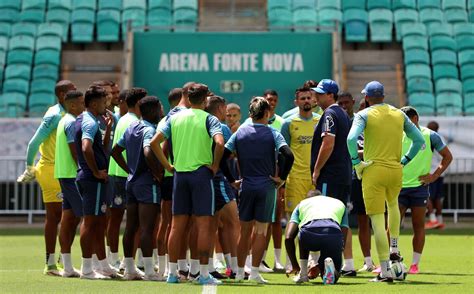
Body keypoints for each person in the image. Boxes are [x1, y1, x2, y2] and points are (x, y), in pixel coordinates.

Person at [347, 81, 424, 282]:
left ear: (366, 97)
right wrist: (404, 160)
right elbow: (419, 141)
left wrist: (357, 162)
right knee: (393, 207)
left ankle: (384, 270)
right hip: (395, 170)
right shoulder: (399, 113)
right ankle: (395, 248)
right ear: (384, 95)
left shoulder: (363, 114)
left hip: (373, 169)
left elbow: (350, 139)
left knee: (377, 220)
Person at [150, 83, 224, 285]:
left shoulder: (173, 118)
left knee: (176, 227)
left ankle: (172, 274)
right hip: (201, 176)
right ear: (206, 99)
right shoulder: (210, 119)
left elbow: (154, 142)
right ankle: (203, 275)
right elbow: (219, 143)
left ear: (189, 99)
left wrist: (167, 165)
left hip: (179, 176)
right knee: (203, 226)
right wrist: (216, 165)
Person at [221, 97, 294, 284]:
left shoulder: (239, 133)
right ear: (267, 113)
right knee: (261, 230)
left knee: (244, 231)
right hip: (267, 186)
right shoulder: (273, 133)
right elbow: (288, 154)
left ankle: (238, 272)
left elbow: (223, 158)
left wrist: (232, 180)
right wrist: (282, 178)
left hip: (246, 186)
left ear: (250, 113)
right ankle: (254, 272)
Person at [17, 80, 76, 275]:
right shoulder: (54, 115)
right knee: (56, 217)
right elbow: (34, 142)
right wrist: (29, 167)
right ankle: (51, 263)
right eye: (71, 91)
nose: (76, 94)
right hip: (51, 170)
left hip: (63, 170)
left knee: (70, 217)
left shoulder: (68, 113)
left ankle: (62, 260)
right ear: (61, 95)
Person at [111, 96, 164, 281]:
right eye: (160, 108)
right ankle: (149, 271)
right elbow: (148, 151)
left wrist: (129, 170)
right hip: (147, 184)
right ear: (153, 111)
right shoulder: (149, 129)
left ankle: (130, 269)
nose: (162, 111)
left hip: (131, 183)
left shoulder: (131, 127)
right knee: (148, 228)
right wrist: (158, 173)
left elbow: (115, 151)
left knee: (131, 227)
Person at [398, 107, 452, 274]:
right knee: (392, 226)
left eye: (405, 121)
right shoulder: (396, 134)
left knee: (418, 226)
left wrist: (434, 175)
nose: (402, 125)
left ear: (415, 118)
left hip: (419, 189)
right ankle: (389, 261)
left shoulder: (430, 135)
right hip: (398, 187)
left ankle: (415, 264)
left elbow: (447, 156)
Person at [74, 85, 118, 279]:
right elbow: (86, 148)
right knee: (90, 222)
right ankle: (86, 268)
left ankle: (103, 265)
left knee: (100, 222)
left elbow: (101, 147)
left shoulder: (88, 120)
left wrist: (108, 129)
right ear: (93, 103)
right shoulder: (90, 122)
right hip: (92, 179)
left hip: (94, 179)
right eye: (103, 101)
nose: (106, 105)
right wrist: (95, 172)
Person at [310, 79, 352, 257]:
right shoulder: (342, 113)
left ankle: (328, 259)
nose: (316, 97)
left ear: (330, 95)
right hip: (343, 174)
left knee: (326, 216)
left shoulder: (329, 114)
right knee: (340, 216)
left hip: (331, 175)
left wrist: (317, 169)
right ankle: (337, 258)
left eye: (320, 93)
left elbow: (328, 143)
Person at [107, 88, 147, 269]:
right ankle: (129, 260)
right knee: (135, 222)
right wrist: (130, 169)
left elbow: (115, 150)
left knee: (115, 220)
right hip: (128, 177)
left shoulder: (122, 120)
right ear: (139, 103)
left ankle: (114, 258)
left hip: (117, 175)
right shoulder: (135, 123)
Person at [155, 85, 192, 278]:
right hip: (176, 176)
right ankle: (170, 267)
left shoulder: (168, 117)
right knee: (174, 224)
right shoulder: (181, 115)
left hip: (172, 177)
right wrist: (167, 167)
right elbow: (163, 145)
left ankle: (169, 266)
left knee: (170, 224)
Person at [205, 95, 240, 278]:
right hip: (218, 180)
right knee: (233, 222)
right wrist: (232, 179)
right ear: (220, 109)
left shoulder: (199, 122)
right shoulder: (221, 128)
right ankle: (234, 268)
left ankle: (210, 267)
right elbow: (226, 155)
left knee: (210, 224)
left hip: (200, 179)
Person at [341, 96, 376, 273]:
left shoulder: (365, 122)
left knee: (378, 219)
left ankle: (388, 258)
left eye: (346, 102)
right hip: (350, 177)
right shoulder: (339, 122)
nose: (344, 106)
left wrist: (358, 153)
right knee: (360, 219)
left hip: (370, 175)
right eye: (340, 103)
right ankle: (366, 261)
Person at [53, 90, 85, 278]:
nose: (83, 106)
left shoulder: (64, 120)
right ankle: (92, 263)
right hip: (72, 175)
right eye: (81, 103)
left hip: (64, 174)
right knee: (87, 218)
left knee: (69, 219)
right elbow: (75, 151)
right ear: (73, 105)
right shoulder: (72, 122)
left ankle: (67, 266)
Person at [285, 190, 347, 285]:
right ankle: (326, 267)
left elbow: (288, 237)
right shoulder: (339, 203)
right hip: (333, 234)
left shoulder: (302, 204)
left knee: (303, 232)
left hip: (309, 236)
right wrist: (337, 252)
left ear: (307, 199)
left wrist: (295, 265)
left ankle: (303, 274)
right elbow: (344, 233)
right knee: (334, 273)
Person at [425, 121, 448, 229]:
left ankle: (433, 220)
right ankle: (440, 221)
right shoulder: (441, 138)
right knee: (438, 197)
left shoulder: (428, 137)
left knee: (427, 196)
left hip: (430, 172)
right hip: (440, 172)